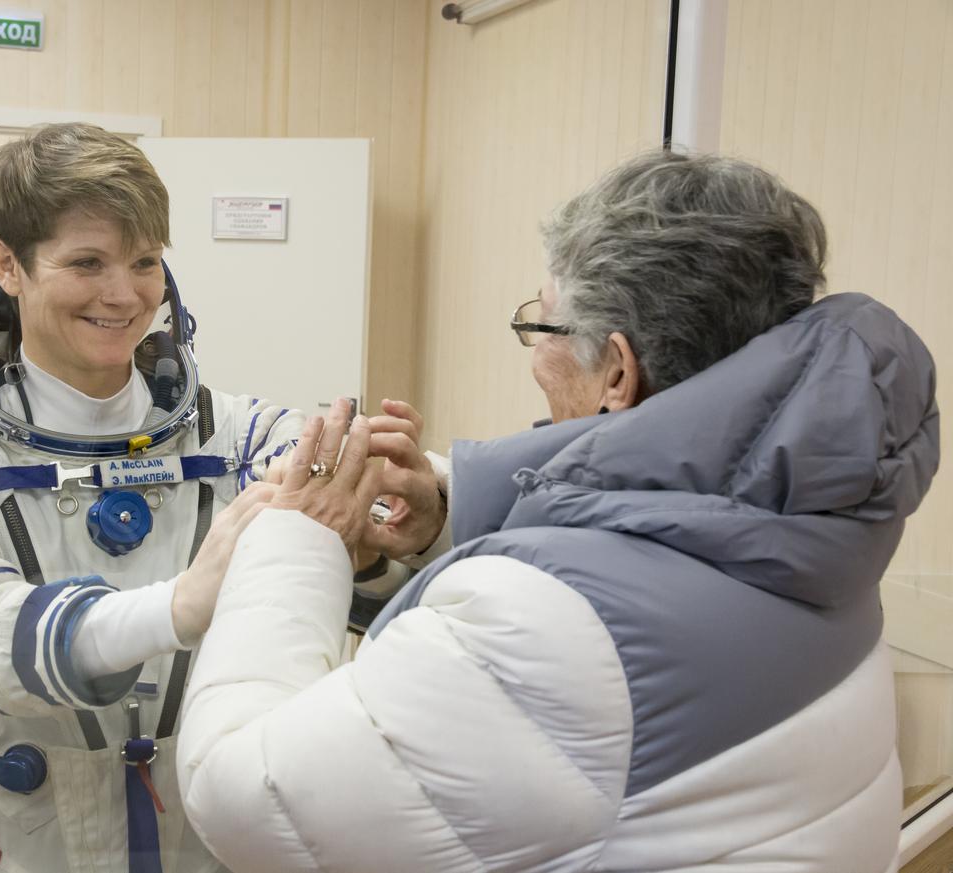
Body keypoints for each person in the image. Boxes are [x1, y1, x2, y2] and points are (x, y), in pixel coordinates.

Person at [175, 151, 939, 872]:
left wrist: (299, 531)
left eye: (541, 326)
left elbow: (244, 796)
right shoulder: (807, 522)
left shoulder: (548, 629)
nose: (535, 354)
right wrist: (450, 512)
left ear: (616, 368)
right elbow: (642, 524)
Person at [0, 123, 311, 872]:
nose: (124, 295)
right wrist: (174, 608)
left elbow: (357, 509)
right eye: (87, 262)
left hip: (208, 838)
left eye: (145, 262)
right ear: (9, 265)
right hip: (13, 847)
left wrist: (417, 507)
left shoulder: (244, 437)